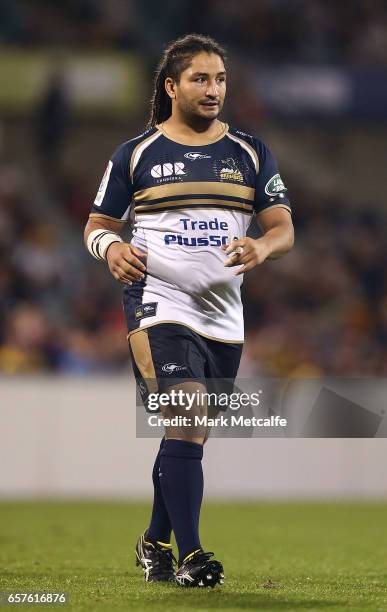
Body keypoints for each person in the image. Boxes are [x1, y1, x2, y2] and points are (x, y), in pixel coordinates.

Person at [84, 33, 294, 588]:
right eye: (200, 78)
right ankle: (193, 555)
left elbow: (283, 228)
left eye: (220, 79)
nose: (213, 89)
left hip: (224, 317)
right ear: (171, 85)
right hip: (159, 304)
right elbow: (97, 227)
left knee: (188, 435)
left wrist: (263, 247)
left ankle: (153, 542)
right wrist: (112, 250)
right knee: (188, 414)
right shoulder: (135, 154)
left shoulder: (250, 153)